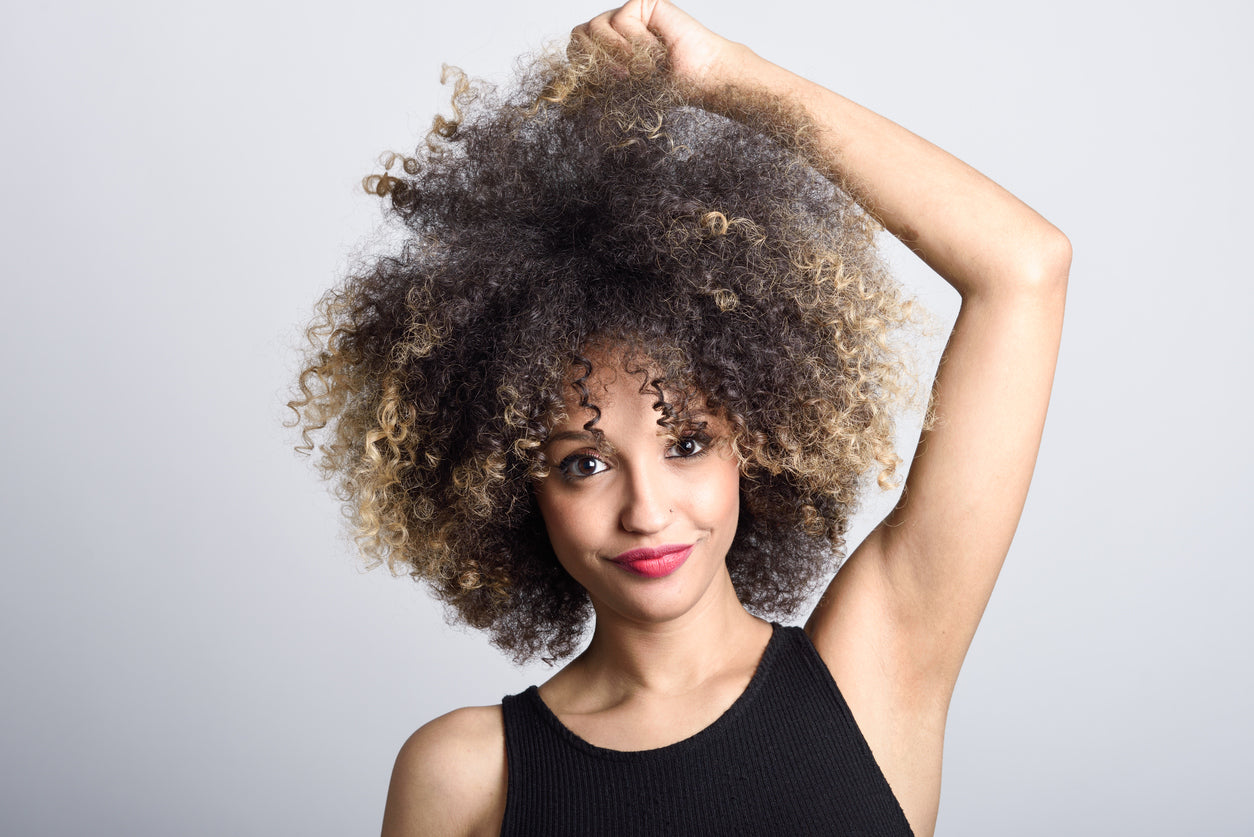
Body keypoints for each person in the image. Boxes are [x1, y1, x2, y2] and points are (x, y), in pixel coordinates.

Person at [289, 1, 1070, 834]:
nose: (648, 510)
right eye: (583, 462)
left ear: (756, 448)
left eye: (687, 442)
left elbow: (1022, 267)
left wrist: (729, 82)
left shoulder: (877, 670)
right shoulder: (466, 773)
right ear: (509, 489)